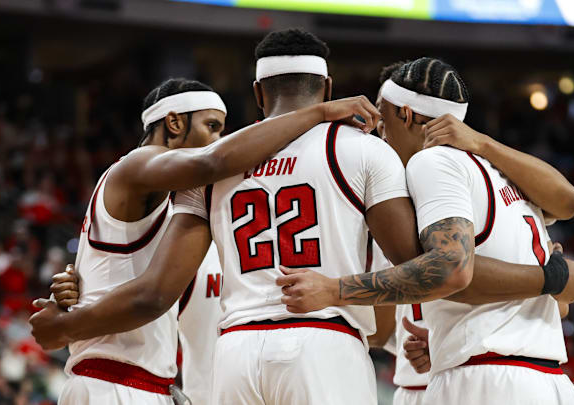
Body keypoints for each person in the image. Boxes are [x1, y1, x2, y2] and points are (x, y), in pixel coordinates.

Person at [30, 76, 381, 405]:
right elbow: (214, 162)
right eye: (211, 127)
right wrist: (318, 112)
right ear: (174, 124)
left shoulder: (178, 212)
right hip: (112, 384)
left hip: (145, 383)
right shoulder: (137, 166)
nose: (218, 140)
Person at [279, 57, 574, 405]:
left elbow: (451, 269)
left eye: (382, 114)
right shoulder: (498, 170)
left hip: (484, 377)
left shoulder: (432, 162)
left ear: (406, 115)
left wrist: (333, 291)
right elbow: (569, 205)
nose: (377, 129)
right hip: (542, 379)